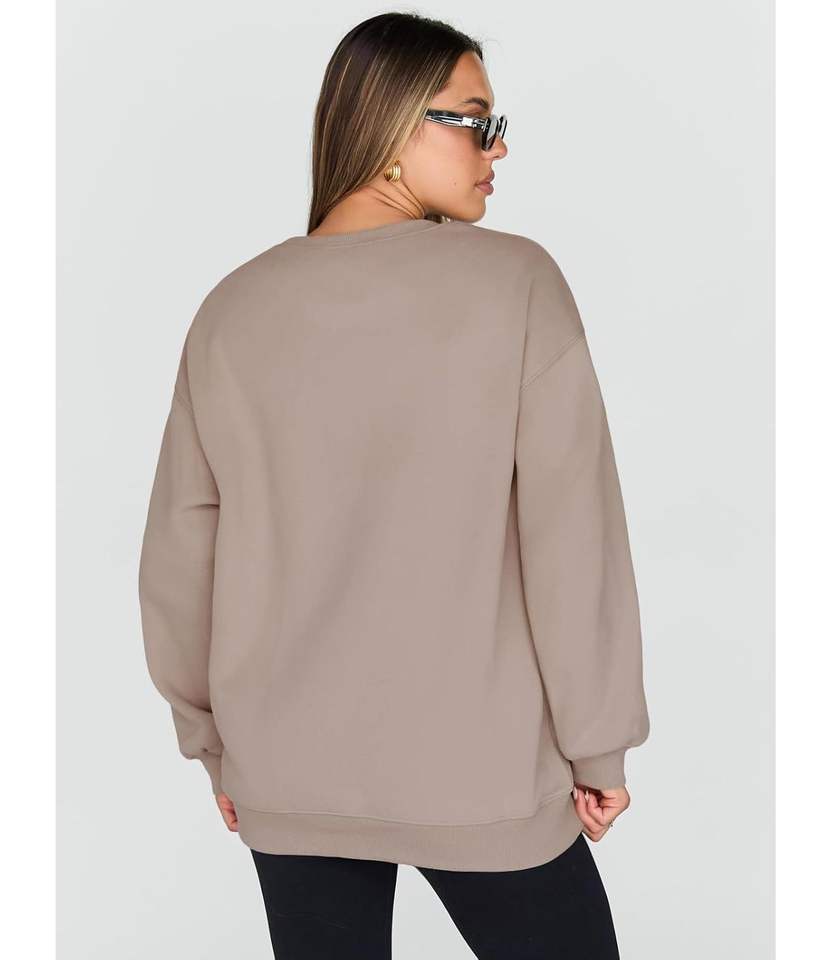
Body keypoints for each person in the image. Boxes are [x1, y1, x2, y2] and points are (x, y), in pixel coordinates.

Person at [138, 11, 650, 959]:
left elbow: (180, 558)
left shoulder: (231, 310)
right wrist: (598, 745)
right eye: (476, 122)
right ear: (390, 126)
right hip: (484, 776)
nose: (498, 148)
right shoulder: (517, 284)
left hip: (288, 772)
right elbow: (573, 539)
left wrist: (212, 740)